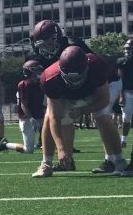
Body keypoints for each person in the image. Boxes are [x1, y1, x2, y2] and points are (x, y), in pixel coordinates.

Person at [32, 46, 126, 177]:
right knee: (48, 116)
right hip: (73, 93)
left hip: (103, 87)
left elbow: (103, 100)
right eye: (71, 78)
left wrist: (83, 110)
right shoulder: (50, 78)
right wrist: (61, 149)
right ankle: (46, 164)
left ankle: (119, 161)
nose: (75, 81)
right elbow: (55, 117)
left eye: (78, 77)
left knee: (101, 116)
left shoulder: (95, 66)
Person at [0, 61, 47, 155]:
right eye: (35, 70)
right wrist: (31, 118)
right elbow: (24, 104)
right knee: (28, 150)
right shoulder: (24, 84)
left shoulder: (40, 83)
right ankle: (5, 145)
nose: (38, 72)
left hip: (39, 114)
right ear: (28, 72)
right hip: (27, 118)